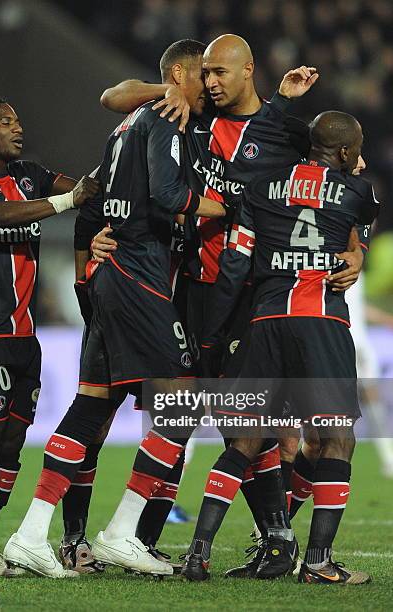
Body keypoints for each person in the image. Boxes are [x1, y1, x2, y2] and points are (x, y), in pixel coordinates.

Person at [95, 34, 363, 570]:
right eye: (206, 73)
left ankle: (274, 539)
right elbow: (113, 97)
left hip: (258, 294)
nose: (212, 83)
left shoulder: (287, 129)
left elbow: (340, 187)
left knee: (268, 430)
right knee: (193, 412)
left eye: (221, 73)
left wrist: (355, 251)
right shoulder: (188, 112)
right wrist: (171, 86)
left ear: (249, 71)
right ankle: (159, 535)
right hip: (194, 287)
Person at [3, 39, 229, 578]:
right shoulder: (165, 118)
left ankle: (31, 534)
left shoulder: (128, 123)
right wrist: (234, 207)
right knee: (181, 402)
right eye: (204, 73)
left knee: (94, 404)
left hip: (115, 272)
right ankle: (121, 532)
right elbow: (168, 198)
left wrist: (91, 266)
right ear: (181, 72)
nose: (211, 86)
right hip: (139, 273)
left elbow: (102, 191)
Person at [182, 111, 379, 585]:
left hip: (264, 321)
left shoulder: (260, 188)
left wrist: (211, 335)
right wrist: (354, 252)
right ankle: (317, 563)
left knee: (247, 441)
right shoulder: (359, 191)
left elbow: (234, 266)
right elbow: (358, 237)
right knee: (336, 439)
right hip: (320, 322)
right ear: (349, 153)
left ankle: (197, 553)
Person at [0, 94, 98, 577]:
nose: (17, 127)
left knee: (11, 442)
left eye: (18, 120)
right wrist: (70, 201)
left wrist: (118, 164)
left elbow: (88, 188)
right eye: (4, 121)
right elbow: (0, 215)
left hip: (24, 335)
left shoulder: (31, 174)